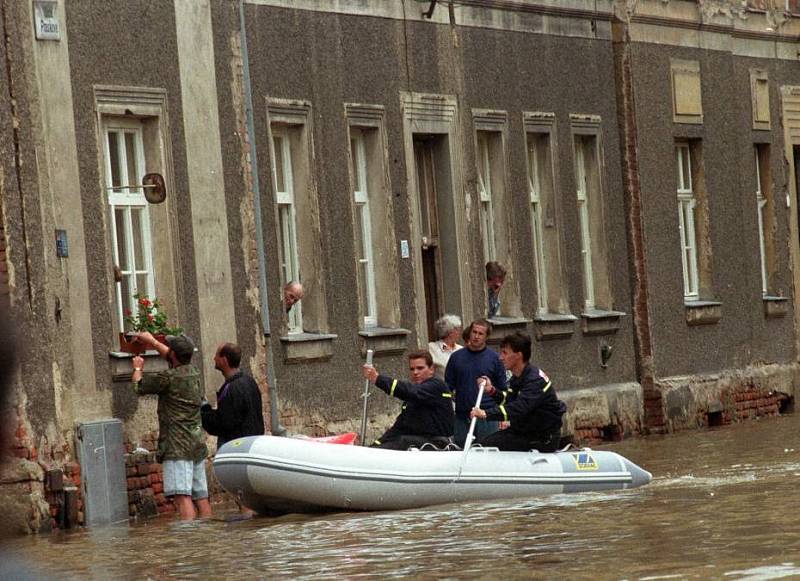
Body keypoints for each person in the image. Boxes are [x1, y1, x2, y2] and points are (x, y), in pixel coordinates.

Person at [131, 332, 211, 521]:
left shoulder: (168, 378)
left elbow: (138, 386)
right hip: (196, 444)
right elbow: (172, 356)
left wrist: (137, 368)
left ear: (174, 355)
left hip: (177, 447)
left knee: (182, 497)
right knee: (201, 497)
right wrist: (151, 341)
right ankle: (208, 536)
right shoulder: (194, 372)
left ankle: (186, 539)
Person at [470, 331, 566, 452]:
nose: (500, 357)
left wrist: (486, 413)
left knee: (490, 446)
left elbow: (519, 407)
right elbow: (509, 400)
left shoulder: (534, 380)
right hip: (524, 431)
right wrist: (492, 391)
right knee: (485, 444)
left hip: (542, 437)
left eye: (505, 353)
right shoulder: (518, 377)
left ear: (518, 355)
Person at [361, 350, 454, 450]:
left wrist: (377, 379)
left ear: (431, 369)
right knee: (398, 440)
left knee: (403, 441)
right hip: (417, 442)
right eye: (412, 369)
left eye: (420, 368)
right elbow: (399, 427)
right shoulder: (412, 397)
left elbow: (410, 391)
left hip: (438, 444)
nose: (415, 372)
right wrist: (374, 447)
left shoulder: (437, 386)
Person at [444, 319, 506, 448]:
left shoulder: (494, 359)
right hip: (462, 417)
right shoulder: (456, 358)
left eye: (480, 334)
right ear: (470, 333)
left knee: (487, 453)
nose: (476, 336)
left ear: (486, 337)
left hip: (487, 418)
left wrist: (502, 416)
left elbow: (502, 390)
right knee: (461, 451)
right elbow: (448, 387)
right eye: (474, 332)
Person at [201, 342, 265, 448]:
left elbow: (223, 425)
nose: (214, 358)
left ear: (224, 360)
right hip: (253, 444)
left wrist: (203, 409)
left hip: (237, 447)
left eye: (216, 355)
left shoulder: (232, 389)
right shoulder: (249, 381)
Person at [427, 314, 463, 379]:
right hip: (441, 387)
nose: (459, 333)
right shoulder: (432, 348)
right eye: (457, 329)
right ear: (449, 331)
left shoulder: (460, 349)